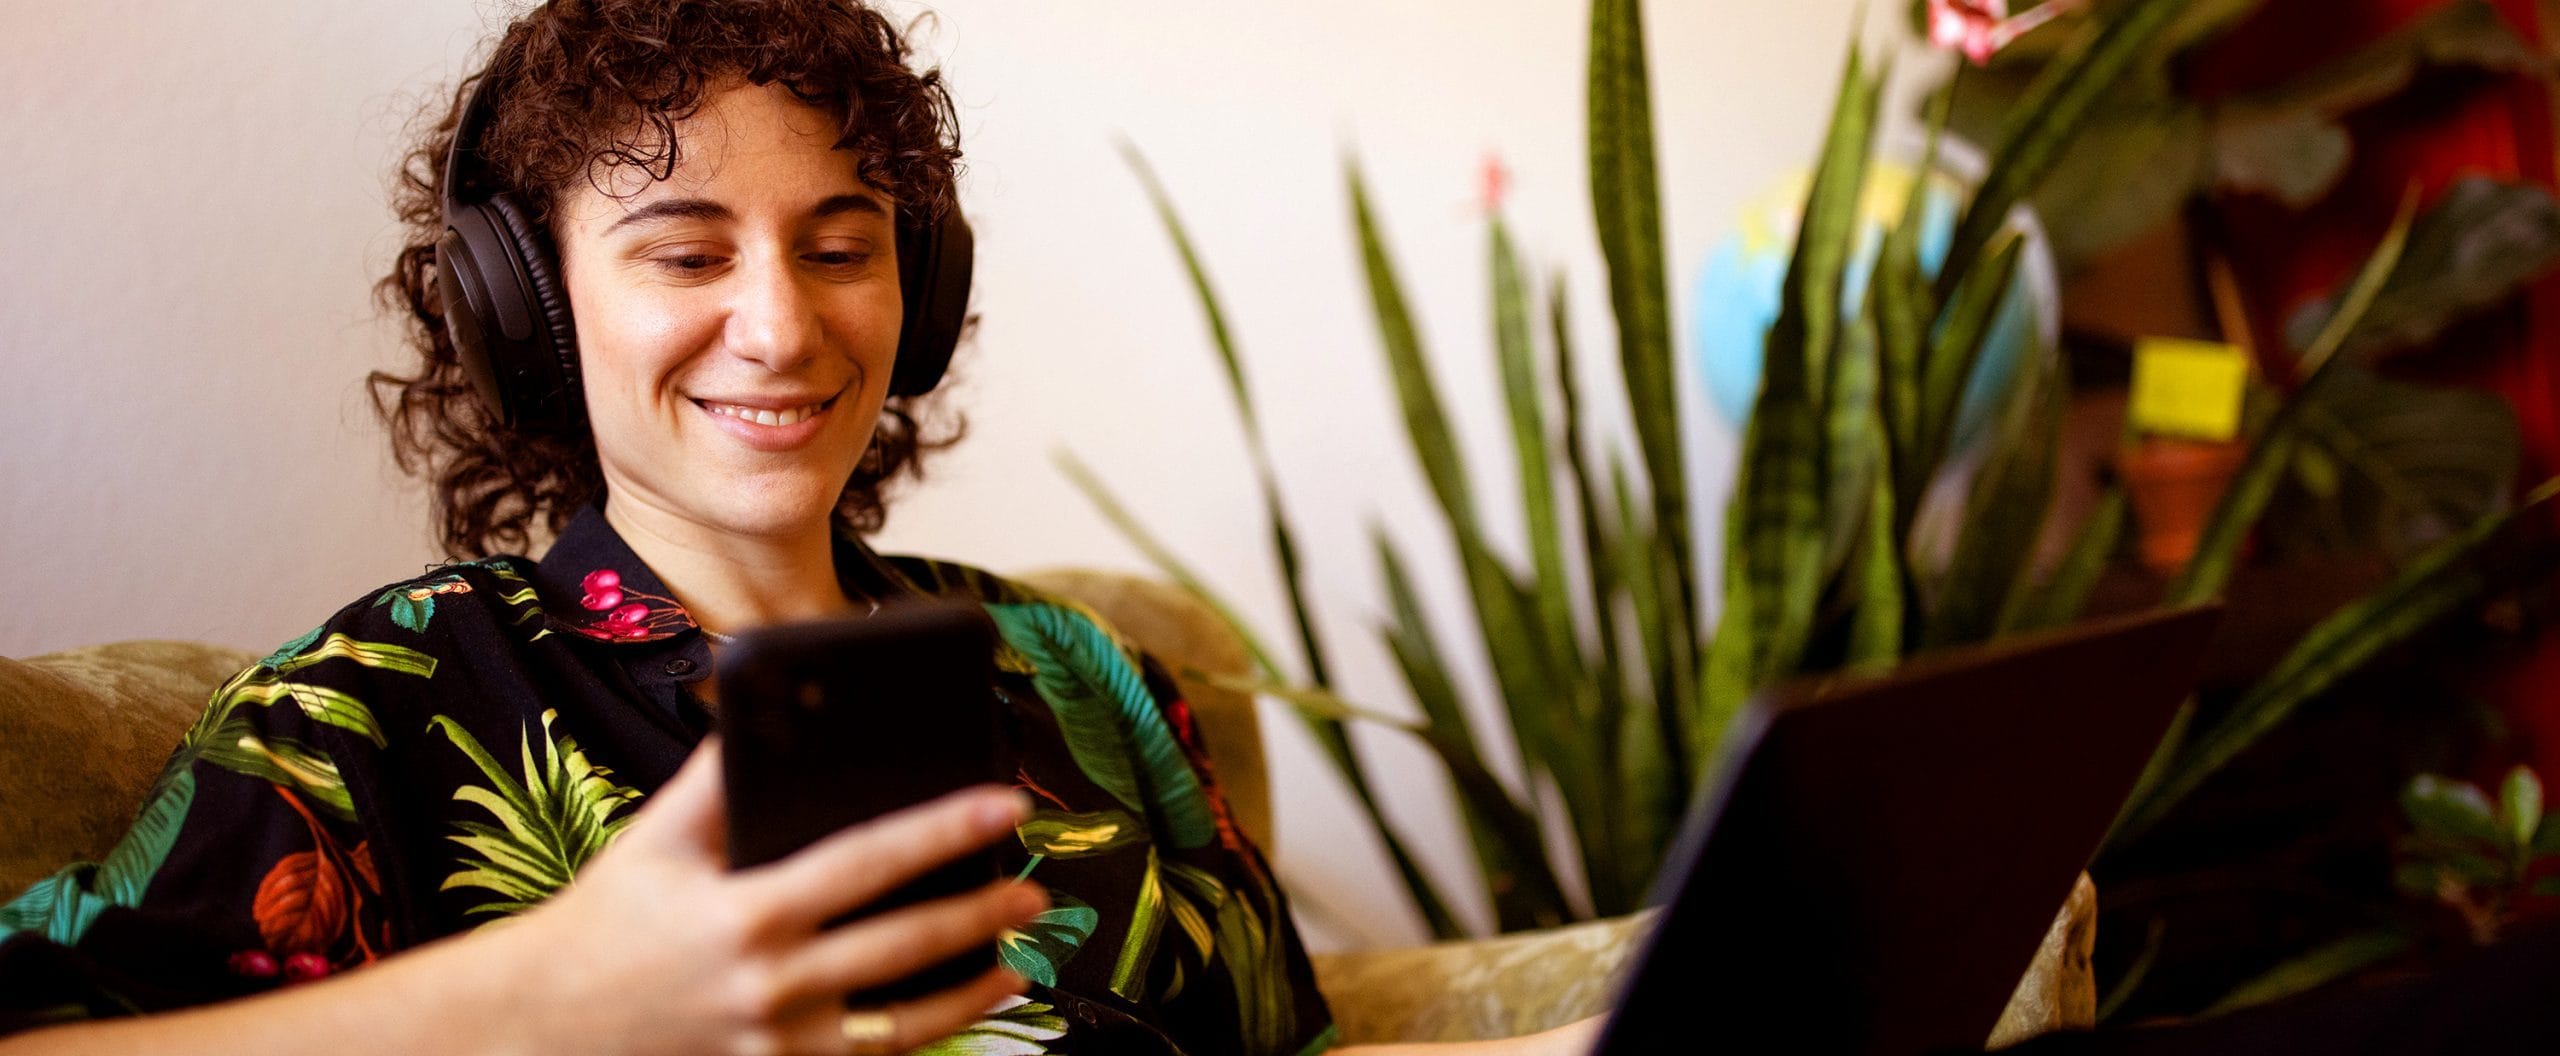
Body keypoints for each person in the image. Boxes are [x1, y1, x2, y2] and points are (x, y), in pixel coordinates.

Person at [0, 2, 1597, 1053]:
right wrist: (554, 997)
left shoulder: (1080, 669)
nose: (779, 326)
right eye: (685, 256)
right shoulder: (383, 699)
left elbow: (1298, 1046)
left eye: (841, 247)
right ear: (531, 315)